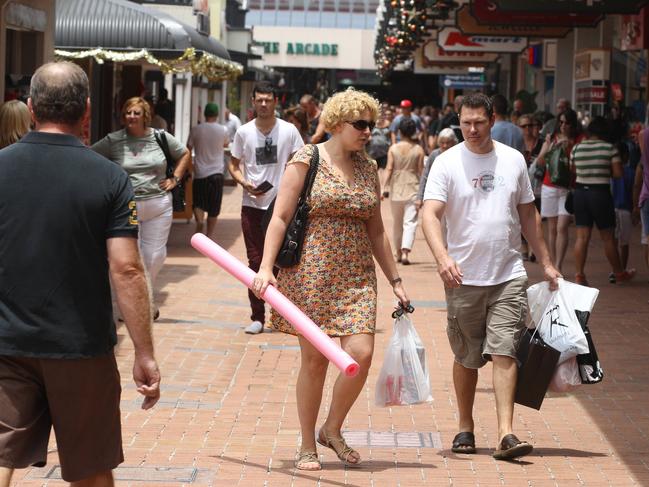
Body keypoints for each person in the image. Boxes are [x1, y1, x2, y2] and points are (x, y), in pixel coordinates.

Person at [0, 61, 160, 487]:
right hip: (80, 346)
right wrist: (144, 353)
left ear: (31, 107)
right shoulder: (109, 178)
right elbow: (126, 268)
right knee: (90, 466)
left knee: (0, 454)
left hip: (8, 341)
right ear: (87, 110)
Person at [252, 87, 410, 471]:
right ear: (338, 124)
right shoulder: (307, 158)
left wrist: (396, 280)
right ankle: (308, 443)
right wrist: (265, 267)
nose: (367, 131)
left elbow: (377, 231)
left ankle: (332, 428)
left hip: (357, 274)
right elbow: (280, 217)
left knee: (361, 353)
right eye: (360, 124)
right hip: (312, 272)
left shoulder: (369, 168)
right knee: (315, 362)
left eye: (371, 125)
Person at [421, 92, 560, 461]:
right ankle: (465, 426)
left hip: (508, 274)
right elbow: (430, 213)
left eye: (478, 122)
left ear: (493, 119)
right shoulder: (446, 162)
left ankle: (506, 433)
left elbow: (529, 216)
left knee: (505, 352)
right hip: (462, 276)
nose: (471, 129)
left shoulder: (512, 160)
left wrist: (545, 262)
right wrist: (442, 257)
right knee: (467, 358)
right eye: (465, 122)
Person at [92, 97, 191, 319]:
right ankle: (137, 304)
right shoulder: (113, 140)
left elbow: (184, 153)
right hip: (126, 206)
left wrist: (175, 178)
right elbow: (90, 157)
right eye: (128, 112)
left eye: (136, 113)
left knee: (153, 256)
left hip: (159, 204)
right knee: (127, 258)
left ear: (145, 115)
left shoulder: (160, 137)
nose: (131, 117)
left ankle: (141, 298)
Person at [229, 81, 304, 334]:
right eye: (259, 99)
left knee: (284, 261)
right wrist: (243, 183)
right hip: (252, 204)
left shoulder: (289, 130)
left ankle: (283, 314)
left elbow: (301, 161)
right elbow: (233, 164)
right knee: (256, 261)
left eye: (267, 100)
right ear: (253, 101)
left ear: (275, 102)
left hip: (282, 206)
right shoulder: (243, 132)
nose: (263, 104)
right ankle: (258, 316)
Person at [571, 117, 635, 286]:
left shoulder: (577, 148)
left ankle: (579, 275)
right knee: (608, 237)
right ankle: (618, 272)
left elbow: (573, 170)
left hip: (580, 194)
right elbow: (618, 173)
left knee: (582, 237)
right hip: (600, 194)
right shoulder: (609, 149)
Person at [535, 108, 582, 273]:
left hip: (567, 188)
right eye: (560, 122)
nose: (563, 126)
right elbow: (540, 162)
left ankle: (559, 264)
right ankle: (553, 264)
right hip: (549, 186)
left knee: (563, 227)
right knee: (552, 228)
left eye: (567, 122)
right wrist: (552, 147)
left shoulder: (578, 140)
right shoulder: (551, 139)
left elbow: (578, 165)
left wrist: (570, 149)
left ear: (573, 124)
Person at [382, 118, 425, 265]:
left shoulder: (393, 148)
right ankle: (406, 252)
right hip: (414, 187)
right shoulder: (418, 149)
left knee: (397, 223)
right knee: (410, 222)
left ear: (399, 132)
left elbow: (389, 168)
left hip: (397, 189)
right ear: (414, 132)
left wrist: (383, 187)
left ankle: (398, 253)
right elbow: (421, 171)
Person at [186, 103, 229, 239]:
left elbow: (188, 148)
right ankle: (209, 235)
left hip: (200, 173)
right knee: (214, 206)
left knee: (198, 202)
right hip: (217, 173)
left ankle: (199, 221)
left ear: (204, 114)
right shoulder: (223, 129)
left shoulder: (196, 130)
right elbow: (226, 144)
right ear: (217, 114)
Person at [416, 128, 458, 210]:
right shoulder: (434, 155)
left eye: (448, 142)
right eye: (442, 143)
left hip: (454, 196)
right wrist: (419, 197)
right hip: (437, 195)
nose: (445, 145)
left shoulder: (458, 154)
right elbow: (425, 176)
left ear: (453, 142)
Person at [366, 106, 391, 171]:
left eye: (382, 114)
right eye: (379, 114)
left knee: (383, 171)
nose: (381, 115)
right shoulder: (371, 124)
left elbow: (392, 136)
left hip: (384, 152)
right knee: (372, 170)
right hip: (372, 152)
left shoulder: (389, 124)